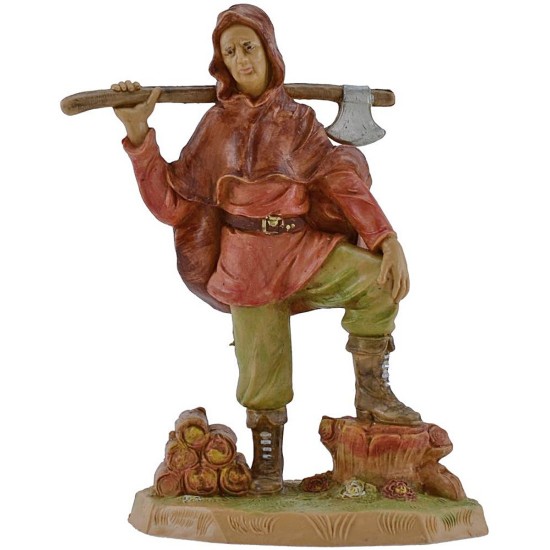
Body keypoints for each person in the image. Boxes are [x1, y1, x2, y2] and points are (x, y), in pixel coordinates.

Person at [112, 3, 421, 494]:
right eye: (230, 52)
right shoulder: (214, 127)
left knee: (378, 283)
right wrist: (137, 133)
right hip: (247, 263)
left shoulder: (298, 121)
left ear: (269, 51)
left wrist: (386, 237)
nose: (242, 59)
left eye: (248, 47)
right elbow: (172, 203)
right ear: (221, 63)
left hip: (304, 250)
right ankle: (267, 454)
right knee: (262, 366)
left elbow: (340, 179)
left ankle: (373, 391)